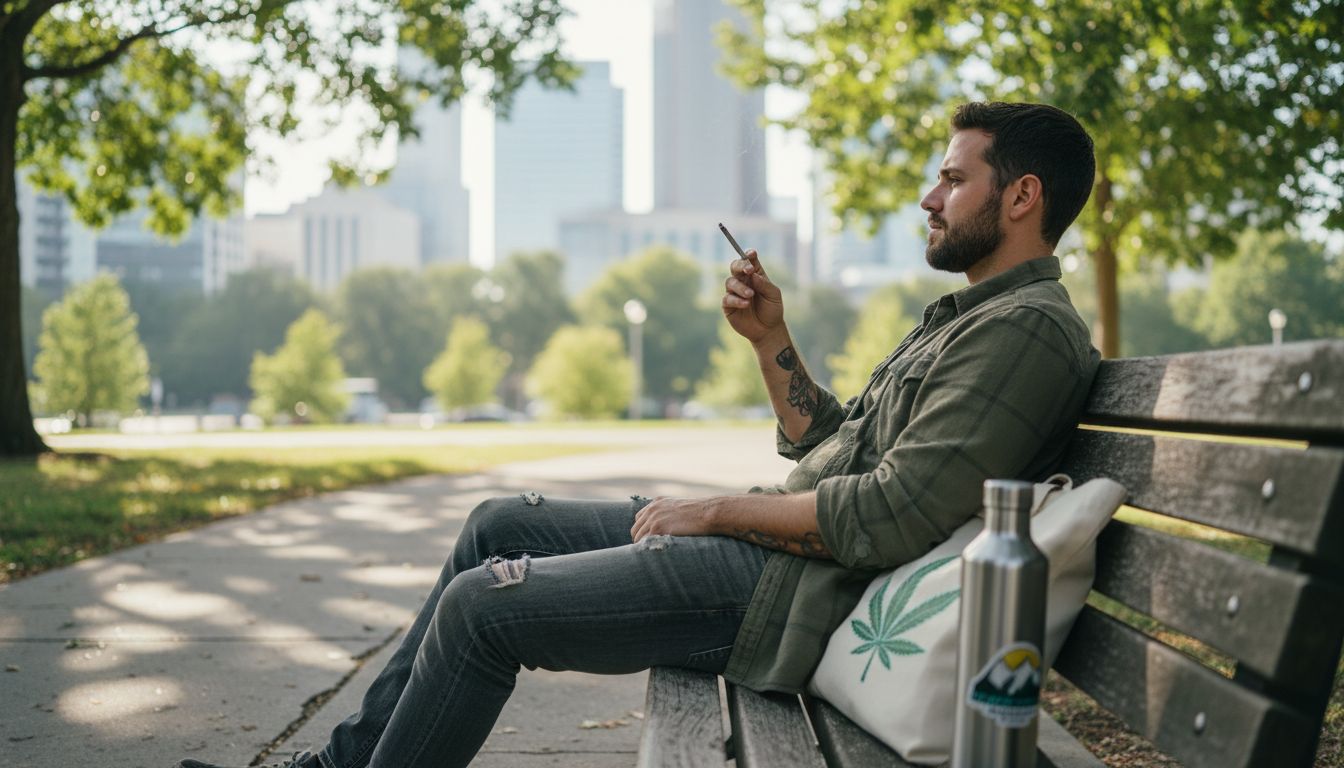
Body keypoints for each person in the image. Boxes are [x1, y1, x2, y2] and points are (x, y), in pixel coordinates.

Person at [176, 101, 1100, 768]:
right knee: (498, 524)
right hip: (777, 562)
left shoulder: (1023, 331)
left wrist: (714, 511)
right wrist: (771, 341)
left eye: (954, 178)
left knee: (482, 610)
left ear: (1022, 196)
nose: (931, 197)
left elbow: (888, 518)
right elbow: (833, 442)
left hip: (793, 598)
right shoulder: (971, 317)